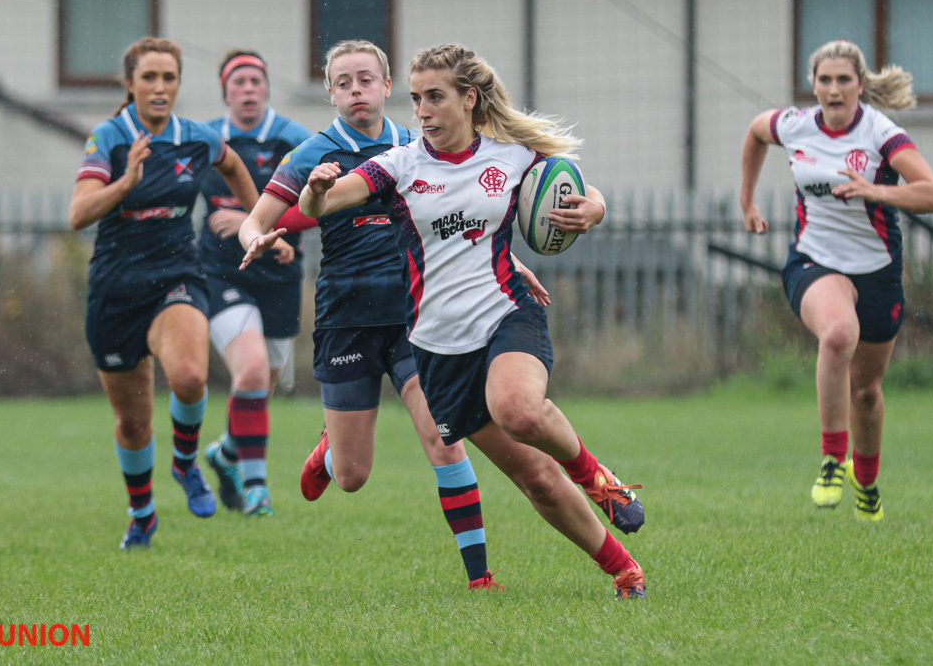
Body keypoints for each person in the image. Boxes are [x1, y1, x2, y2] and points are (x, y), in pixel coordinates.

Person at [248, 43, 648, 599]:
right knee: (532, 475)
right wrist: (316, 192)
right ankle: (624, 567)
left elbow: (573, 180)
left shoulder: (510, 153)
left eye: (435, 97)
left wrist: (595, 208)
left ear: (469, 99)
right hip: (438, 347)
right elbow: (324, 204)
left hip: (507, 313)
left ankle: (600, 482)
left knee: (518, 408)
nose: (424, 111)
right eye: (417, 99)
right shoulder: (401, 163)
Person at [238, 40, 511, 591]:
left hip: (418, 316)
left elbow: (470, 217)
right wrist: (258, 237)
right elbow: (256, 218)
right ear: (331, 93)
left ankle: (479, 576)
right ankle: (331, 449)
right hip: (347, 318)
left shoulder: (419, 144)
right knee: (353, 477)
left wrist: (513, 264)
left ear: (388, 87)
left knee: (443, 437)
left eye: (366, 79)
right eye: (344, 82)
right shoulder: (313, 154)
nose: (356, 90)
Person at [740, 40, 933, 521]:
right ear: (813, 85)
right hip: (814, 261)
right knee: (837, 335)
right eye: (824, 80)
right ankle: (833, 459)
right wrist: (747, 201)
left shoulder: (880, 133)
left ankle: (866, 480)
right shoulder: (794, 125)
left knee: (866, 391)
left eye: (843, 80)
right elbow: (754, 133)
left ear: (859, 85)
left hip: (877, 272)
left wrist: (877, 190)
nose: (833, 89)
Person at [69, 37, 260, 548]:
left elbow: (234, 165)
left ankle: (183, 463)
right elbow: (77, 215)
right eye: (148, 78)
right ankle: (142, 512)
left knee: (191, 377)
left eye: (168, 78)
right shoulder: (108, 138)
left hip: (176, 275)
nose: (159, 88)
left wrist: (256, 223)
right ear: (129, 84)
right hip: (115, 289)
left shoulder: (195, 138)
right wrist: (124, 182)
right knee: (133, 423)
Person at [198, 50, 313, 516]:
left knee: (259, 390)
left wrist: (252, 221)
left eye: (255, 82)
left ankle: (225, 453)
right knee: (247, 373)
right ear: (225, 92)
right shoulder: (206, 140)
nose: (248, 89)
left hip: (279, 273)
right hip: (223, 274)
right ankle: (257, 489)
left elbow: (319, 204)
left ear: (266, 90)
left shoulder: (294, 140)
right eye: (238, 82)